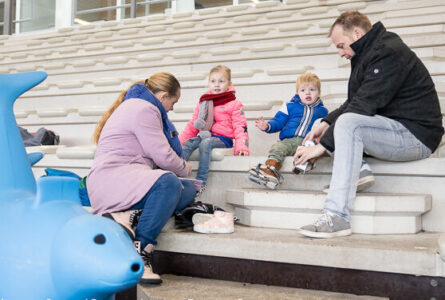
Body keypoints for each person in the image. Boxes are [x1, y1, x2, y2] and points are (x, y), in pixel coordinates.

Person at [294, 11, 444, 238]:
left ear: (356, 33)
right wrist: (325, 123)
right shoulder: (369, 52)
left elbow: (363, 105)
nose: (341, 53)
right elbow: (355, 101)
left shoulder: (388, 52)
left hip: (416, 136)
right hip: (393, 129)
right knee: (336, 124)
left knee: (346, 125)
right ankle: (360, 170)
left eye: (341, 46)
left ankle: (337, 216)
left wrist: (322, 146)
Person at [87, 72, 198, 284]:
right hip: (112, 181)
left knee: (188, 189)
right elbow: (163, 155)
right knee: (170, 183)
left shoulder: (137, 106)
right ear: (163, 96)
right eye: (173, 102)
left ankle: (125, 215)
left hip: (127, 179)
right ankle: (141, 252)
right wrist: (185, 167)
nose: (172, 108)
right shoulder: (144, 109)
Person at [248, 73, 328, 189]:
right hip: (289, 140)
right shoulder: (289, 106)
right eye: (303, 90)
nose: (307, 93)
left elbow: (324, 129)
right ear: (297, 93)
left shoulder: (323, 111)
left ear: (319, 93)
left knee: (314, 151)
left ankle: (303, 165)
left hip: (307, 143)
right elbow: (278, 121)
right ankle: (271, 170)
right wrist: (267, 126)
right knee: (278, 147)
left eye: (312, 89)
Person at [179, 65, 250, 186]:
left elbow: (240, 127)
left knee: (206, 143)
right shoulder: (204, 101)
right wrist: (178, 142)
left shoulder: (234, 103)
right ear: (208, 83)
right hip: (205, 135)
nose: (216, 84)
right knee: (188, 143)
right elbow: (193, 124)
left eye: (221, 81)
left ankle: (201, 181)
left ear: (229, 84)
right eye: (213, 81)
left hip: (223, 139)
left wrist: (242, 148)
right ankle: (176, 174)